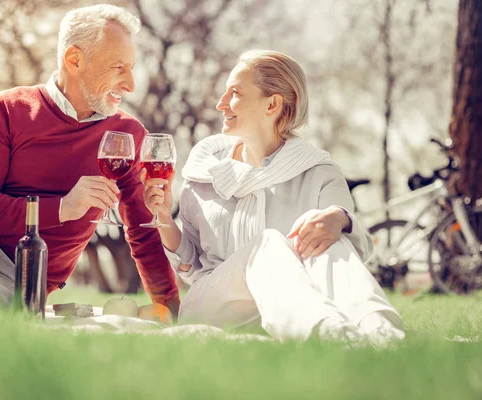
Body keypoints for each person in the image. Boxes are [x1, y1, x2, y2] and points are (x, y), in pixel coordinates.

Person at [0, 4, 179, 315]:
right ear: (75, 59)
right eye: (118, 67)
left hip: (14, 277)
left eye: (131, 68)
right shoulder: (7, 108)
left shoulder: (126, 135)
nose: (131, 85)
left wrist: (170, 310)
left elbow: (143, 230)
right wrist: (62, 208)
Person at [142, 50, 405, 345]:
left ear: (273, 104)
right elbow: (193, 269)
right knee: (269, 243)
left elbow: (352, 250)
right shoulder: (205, 173)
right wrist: (164, 219)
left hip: (295, 303)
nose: (220, 104)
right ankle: (329, 337)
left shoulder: (319, 172)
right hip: (215, 305)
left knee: (326, 235)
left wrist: (340, 219)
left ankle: (383, 333)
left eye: (235, 93)